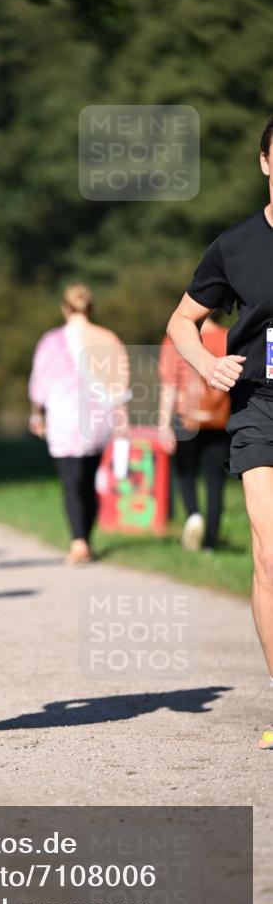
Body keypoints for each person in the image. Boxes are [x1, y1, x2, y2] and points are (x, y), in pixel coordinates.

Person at [167, 115, 273, 750]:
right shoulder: (234, 245)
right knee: (269, 553)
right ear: (265, 162)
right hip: (262, 406)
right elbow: (183, 319)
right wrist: (207, 362)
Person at [28, 284, 129, 564]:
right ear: (91, 307)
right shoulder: (108, 338)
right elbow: (121, 382)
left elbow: (40, 382)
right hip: (98, 419)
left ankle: (79, 541)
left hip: (64, 419)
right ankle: (86, 538)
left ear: (64, 307)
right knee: (89, 480)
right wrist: (121, 416)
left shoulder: (52, 341)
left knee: (72, 482)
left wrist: (37, 414)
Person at [158, 312, 230, 551]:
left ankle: (193, 515)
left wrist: (163, 424)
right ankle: (211, 542)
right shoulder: (228, 337)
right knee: (215, 482)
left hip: (184, 419)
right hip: (220, 420)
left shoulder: (175, 339)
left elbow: (168, 386)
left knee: (186, 473)